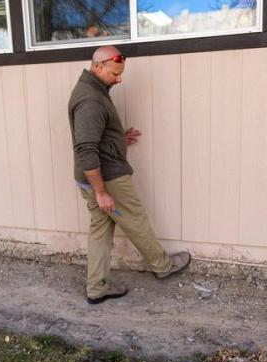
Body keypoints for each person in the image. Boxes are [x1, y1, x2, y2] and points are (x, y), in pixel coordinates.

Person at [69, 45, 191, 305]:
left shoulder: (94, 89)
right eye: (115, 74)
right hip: (107, 178)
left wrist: (118, 140)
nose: (119, 79)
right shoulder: (90, 99)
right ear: (98, 66)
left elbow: (93, 137)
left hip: (94, 174)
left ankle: (96, 287)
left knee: (101, 228)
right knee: (134, 219)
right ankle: (163, 265)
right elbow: (86, 148)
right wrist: (101, 191)